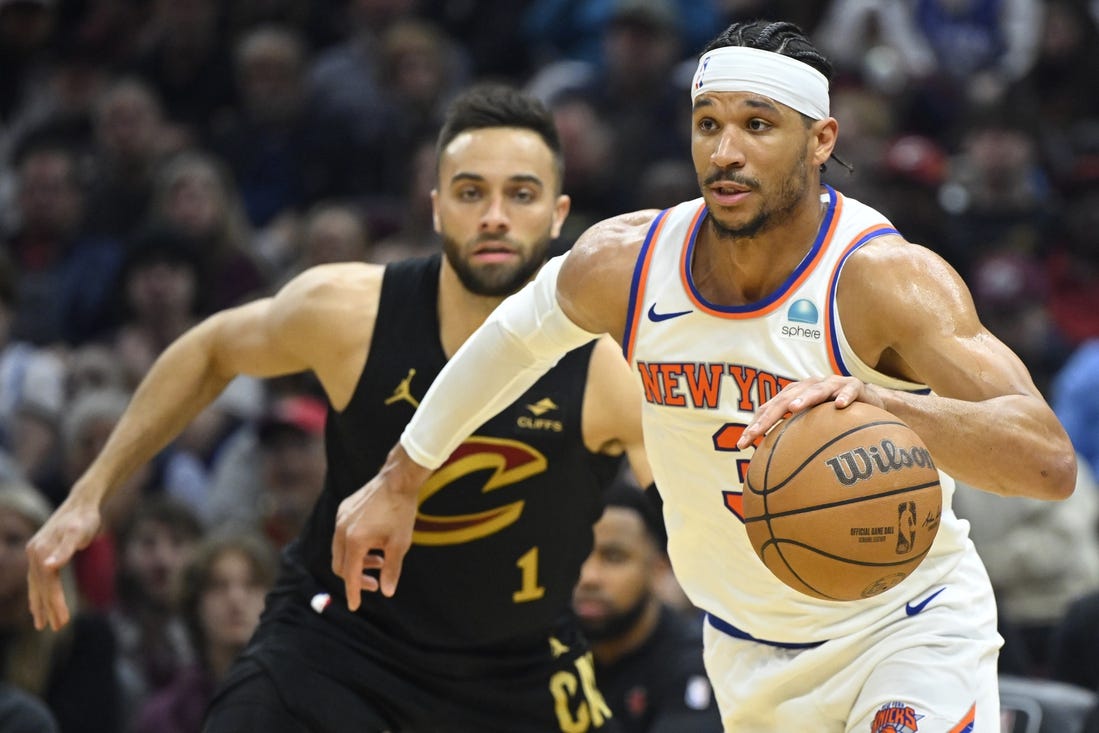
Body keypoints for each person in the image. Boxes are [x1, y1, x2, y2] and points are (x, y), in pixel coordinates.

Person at [338, 20, 1078, 732]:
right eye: (707, 124)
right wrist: (402, 476)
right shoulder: (626, 263)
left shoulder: (881, 279)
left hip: (903, 633)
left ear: (820, 140)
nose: (725, 151)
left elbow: (1047, 461)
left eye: (758, 125)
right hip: (742, 649)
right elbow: (510, 342)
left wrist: (886, 408)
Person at [27, 84, 650, 732]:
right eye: (470, 192)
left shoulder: (607, 365)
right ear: (435, 208)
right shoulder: (351, 312)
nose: (495, 215)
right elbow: (212, 349)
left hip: (515, 670)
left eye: (520, 194)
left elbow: (694, 510)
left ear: (557, 213)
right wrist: (90, 490)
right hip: (339, 644)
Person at [575, 481, 720, 733]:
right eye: (577, 555)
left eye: (613, 557)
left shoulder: (701, 659)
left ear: (659, 568)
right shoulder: (543, 652)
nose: (589, 577)